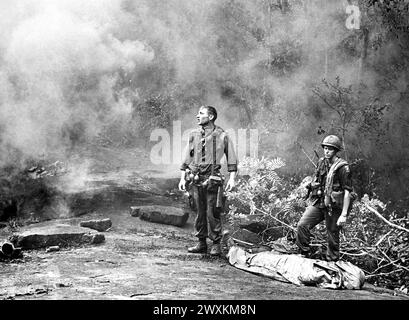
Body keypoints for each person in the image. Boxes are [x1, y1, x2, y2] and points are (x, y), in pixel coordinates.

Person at [178, 105, 238, 256]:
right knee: (199, 212)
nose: (197, 116)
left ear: (210, 117)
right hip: (195, 178)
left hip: (213, 179)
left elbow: (231, 156)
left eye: (201, 113)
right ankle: (201, 243)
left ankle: (216, 244)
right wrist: (182, 178)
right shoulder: (193, 134)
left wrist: (232, 178)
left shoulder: (222, 135)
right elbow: (187, 157)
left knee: (213, 212)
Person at [296, 135, 353, 261]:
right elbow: (316, 178)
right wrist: (311, 185)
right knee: (302, 225)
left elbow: (347, 192)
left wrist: (343, 214)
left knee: (332, 233)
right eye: (325, 148)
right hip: (320, 201)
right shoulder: (321, 162)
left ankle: (332, 262)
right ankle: (304, 255)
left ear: (336, 151)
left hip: (333, 205)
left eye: (330, 149)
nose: (327, 151)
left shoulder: (343, 168)